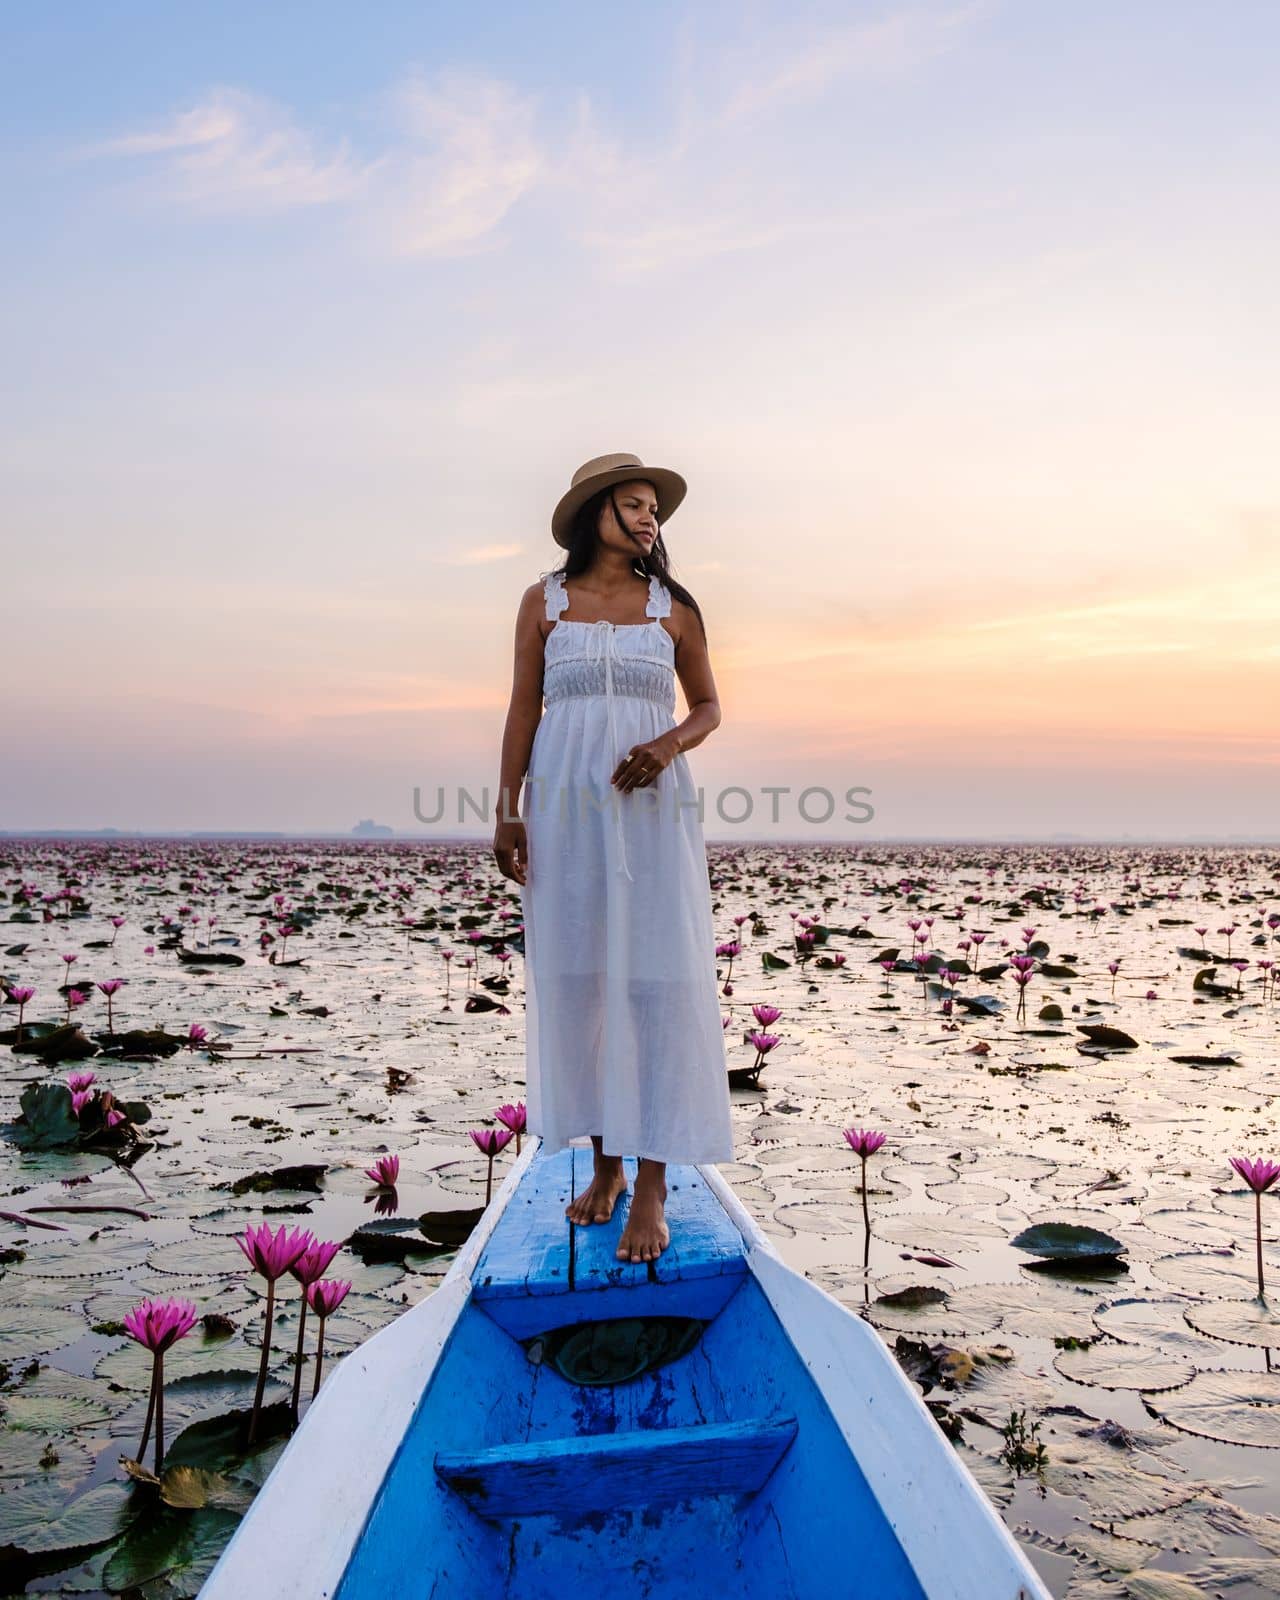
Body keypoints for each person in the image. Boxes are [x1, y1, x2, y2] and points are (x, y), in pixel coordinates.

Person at [493, 452, 735, 1263]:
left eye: (654, 511)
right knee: (582, 981)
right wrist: (507, 809)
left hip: (651, 811)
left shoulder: (674, 607)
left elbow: (708, 707)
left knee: (656, 986)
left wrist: (667, 744)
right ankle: (606, 1167)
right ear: (594, 512)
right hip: (564, 809)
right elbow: (524, 708)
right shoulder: (543, 602)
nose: (647, 520)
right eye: (631, 505)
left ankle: (655, 1184)